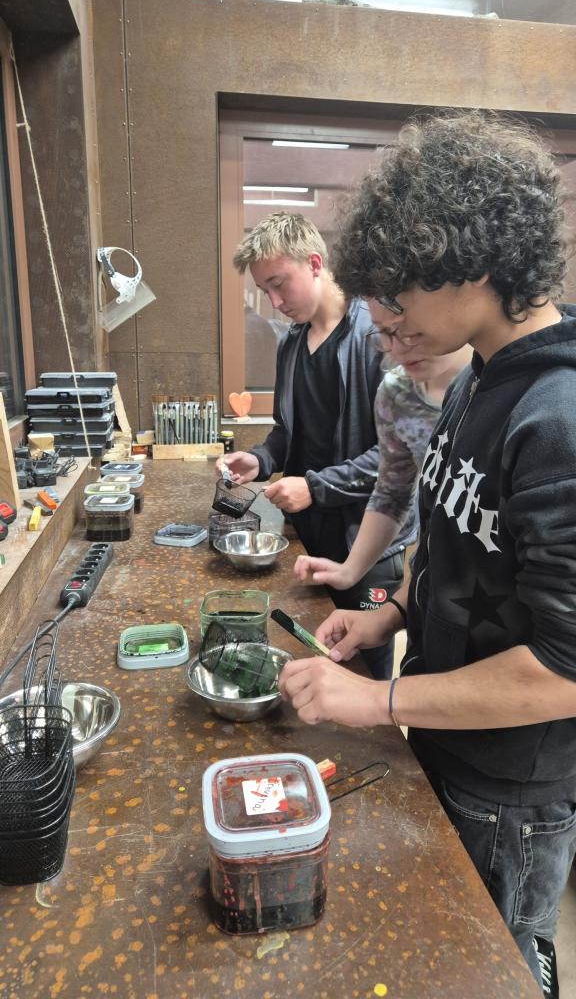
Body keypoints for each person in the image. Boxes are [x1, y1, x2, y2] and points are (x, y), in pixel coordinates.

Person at [279, 111, 576, 997]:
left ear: (471, 266)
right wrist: (389, 615)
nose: (386, 316)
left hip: (510, 790)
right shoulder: (475, 376)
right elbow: (442, 536)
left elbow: (567, 669)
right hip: (448, 736)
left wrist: (377, 701)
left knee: (491, 967)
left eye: (399, 295)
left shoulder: (558, 420)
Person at [218, 212, 413, 677]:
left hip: (367, 541)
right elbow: (289, 431)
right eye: (264, 290)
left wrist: (315, 486)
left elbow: (400, 454)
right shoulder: (291, 343)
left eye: (279, 284)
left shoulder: (378, 337)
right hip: (309, 533)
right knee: (312, 653)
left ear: (314, 263)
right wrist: (260, 459)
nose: (274, 302)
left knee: (362, 669)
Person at [293, 298, 471, 597]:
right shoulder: (397, 390)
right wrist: (350, 570)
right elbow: (392, 491)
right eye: (384, 333)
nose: (396, 350)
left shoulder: (498, 386)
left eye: (407, 330)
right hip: (437, 586)